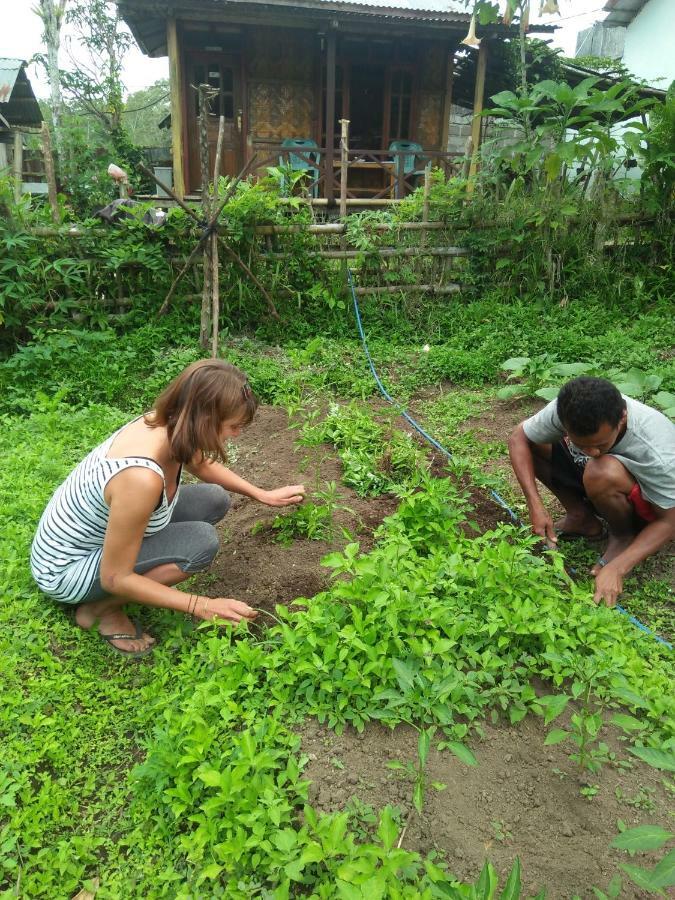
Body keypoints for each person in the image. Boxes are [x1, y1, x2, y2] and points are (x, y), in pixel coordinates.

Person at [30, 360, 306, 656]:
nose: (237, 434)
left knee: (214, 498)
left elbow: (198, 462)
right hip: (66, 570)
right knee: (200, 543)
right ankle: (101, 611)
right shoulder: (140, 479)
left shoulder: (167, 423)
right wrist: (201, 605)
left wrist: (261, 494)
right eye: (233, 426)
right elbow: (115, 576)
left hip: (97, 540)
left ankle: (115, 596)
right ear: (203, 420)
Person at [508, 376, 675, 607]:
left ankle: (623, 536)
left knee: (601, 469)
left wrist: (618, 567)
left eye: (601, 443)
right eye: (581, 444)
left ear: (622, 418)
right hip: (597, 481)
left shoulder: (658, 450)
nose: (592, 452)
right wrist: (535, 504)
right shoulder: (566, 409)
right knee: (535, 442)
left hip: (648, 507)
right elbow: (519, 438)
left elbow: (670, 521)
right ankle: (581, 518)